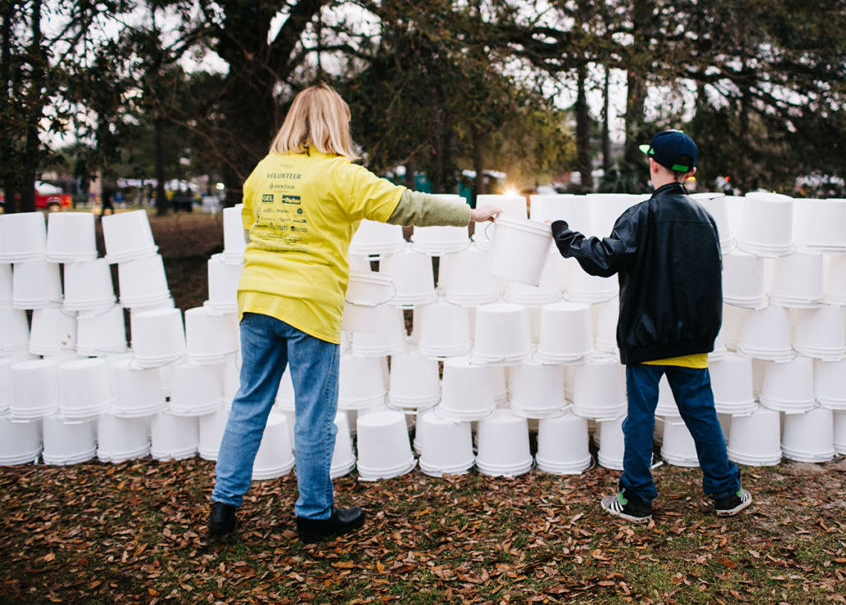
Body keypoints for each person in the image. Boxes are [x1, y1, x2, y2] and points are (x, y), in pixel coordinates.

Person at [208, 84, 501, 543]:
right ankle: (314, 515)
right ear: (333, 123)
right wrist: (471, 213)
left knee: (249, 402)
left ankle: (223, 509)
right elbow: (409, 205)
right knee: (313, 415)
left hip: (256, 300)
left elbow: (251, 230)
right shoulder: (340, 174)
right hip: (308, 305)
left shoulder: (263, 172)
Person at [550, 129, 750, 523]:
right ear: (690, 172)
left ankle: (638, 499)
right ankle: (726, 492)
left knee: (640, 419)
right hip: (692, 339)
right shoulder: (706, 221)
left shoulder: (640, 216)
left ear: (652, 164)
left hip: (646, 341)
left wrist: (565, 235)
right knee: (702, 415)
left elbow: (604, 259)